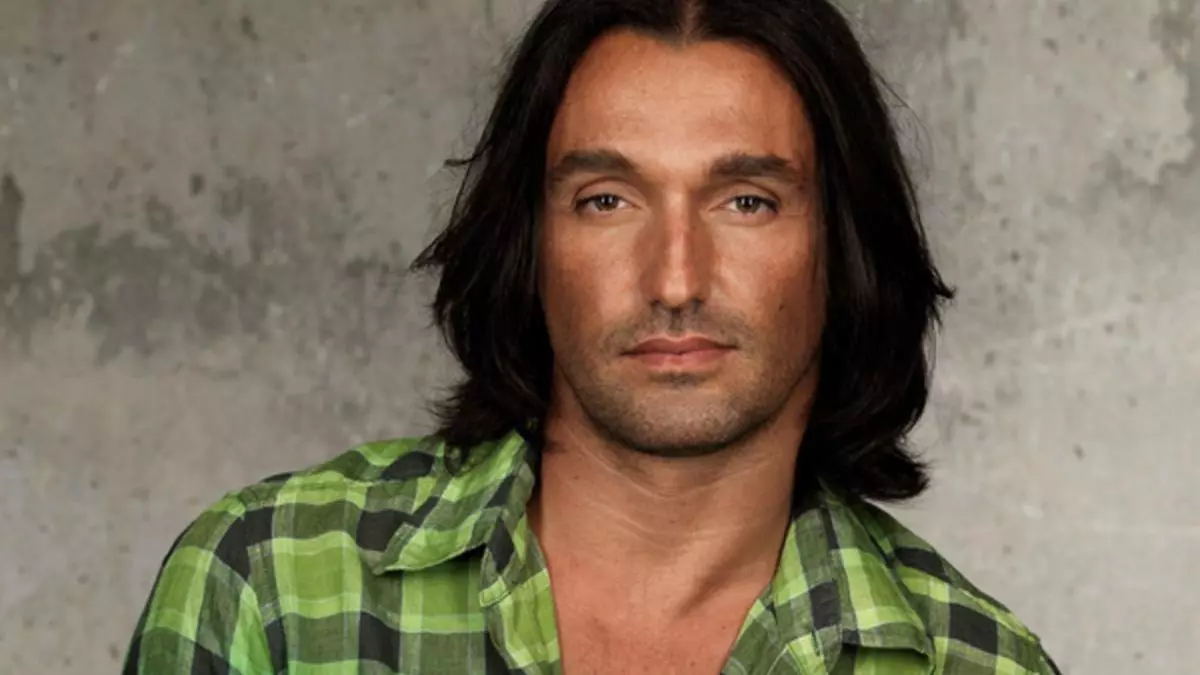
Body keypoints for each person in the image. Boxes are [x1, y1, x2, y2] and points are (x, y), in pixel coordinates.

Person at [124, 0, 1062, 673]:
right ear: (529, 245)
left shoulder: (978, 663)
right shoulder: (270, 585)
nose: (675, 280)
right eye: (607, 200)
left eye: (747, 200)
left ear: (843, 248)